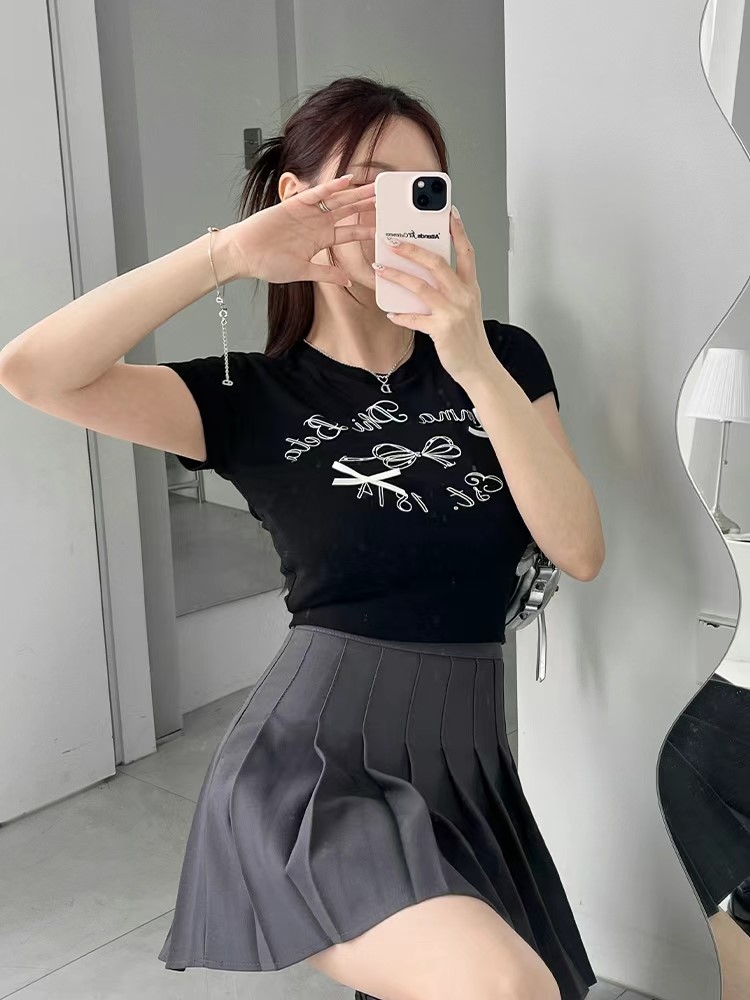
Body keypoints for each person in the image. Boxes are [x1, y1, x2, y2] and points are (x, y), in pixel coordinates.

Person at [0, 76, 604, 1000]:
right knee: (502, 987)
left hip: (465, 761)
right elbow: (33, 371)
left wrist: (469, 355)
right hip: (316, 766)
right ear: (298, 197)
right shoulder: (248, 396)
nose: (392, 210)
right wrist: (231, 254)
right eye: (367, 182)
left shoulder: (502, 357)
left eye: (418, 188)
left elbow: (580, 549)